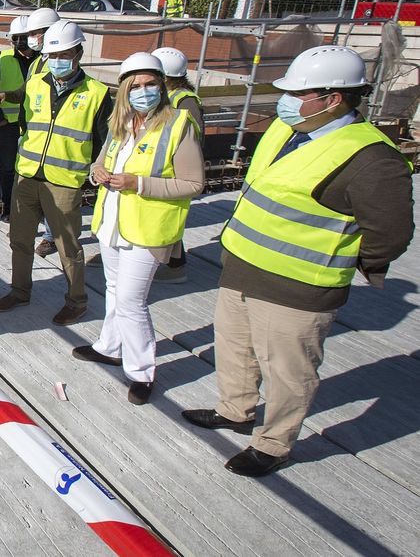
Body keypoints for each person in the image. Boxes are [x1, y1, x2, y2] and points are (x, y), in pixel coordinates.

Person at [182, 46, 413, 477]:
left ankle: (273, 444)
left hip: (298, 287)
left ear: (333, 98)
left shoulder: (371, 159)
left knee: (288, 371)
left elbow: (391, 233)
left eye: (299, 93)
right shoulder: (287, 130)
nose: (285, 100)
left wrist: (336, 258)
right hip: (242, 269)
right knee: (235, 349)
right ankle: (236, 409)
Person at [76, 52, 204, 405]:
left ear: (162, 86)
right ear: (124, 91)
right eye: (136, 86)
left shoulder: (178, 125)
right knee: (114, 289)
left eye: (150, 84)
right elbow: (100, 162)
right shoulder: (121, 125)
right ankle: (109, 346)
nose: (143, 92)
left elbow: (193, 183)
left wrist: (139, 183)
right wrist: (96, 173)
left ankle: (141, 372)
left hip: (148, 230)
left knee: (132, 302)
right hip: (114, 224)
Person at [0, 19, 112, 324]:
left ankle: (77, 300)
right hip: (28, 175)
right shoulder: (35, 84)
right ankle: (20, 291)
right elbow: (23, 109)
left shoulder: (97, 94)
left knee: (67, 244)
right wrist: (6, 96)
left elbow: (105, 140)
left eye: (64, 55)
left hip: (64, 182)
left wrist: (97, 168)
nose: (57, 62)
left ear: (78, 54)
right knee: (20, 239)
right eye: (52, 56)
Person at [155, 45, 200, 283]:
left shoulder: (185, 101)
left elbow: (190, 139)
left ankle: (175, 265)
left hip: (171, 171)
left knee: (168, 218)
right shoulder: (169, 96)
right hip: (157, 165)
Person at [22, 7, 62, 256]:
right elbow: (29, 92)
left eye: (37, 33)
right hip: (34, 135)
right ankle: (41, 229)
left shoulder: (59, 64)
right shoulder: (37, 63)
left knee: (54, 191)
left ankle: (51, 236)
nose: (33, 38)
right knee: (36, 188)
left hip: (54, 137)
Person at [0, 16, 35, 223]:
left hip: (35, 124)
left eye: (24, 37)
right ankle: (8, 209)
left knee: (31, 169)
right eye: (16, 38)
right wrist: (0, 119)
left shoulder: (44, 59)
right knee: (8, 167)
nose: (20, 42)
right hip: (9, 124)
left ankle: (31, 209)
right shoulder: (4, 57)